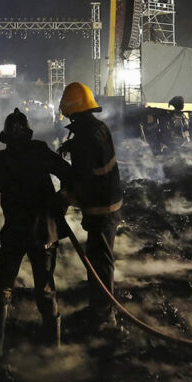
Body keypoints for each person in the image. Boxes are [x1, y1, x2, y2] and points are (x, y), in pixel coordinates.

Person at [0, 108, 75, 357]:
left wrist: (62, 200)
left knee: (2, 290)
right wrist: (63, 200)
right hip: (41, 231)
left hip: (20, 232)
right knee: (44, 292)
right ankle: (52, 353)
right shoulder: (38, 152)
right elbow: (68, 174)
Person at [57, 82, 123, 329]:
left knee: (100, 262)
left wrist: (62, 199)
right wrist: (70, 146)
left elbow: (82, 178)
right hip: (108, 203)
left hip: (101, 208)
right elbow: (93, 152)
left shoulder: (84, 136)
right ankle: (100, 308)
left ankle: (104, 316)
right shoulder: (97, 126)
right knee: (98, 258)